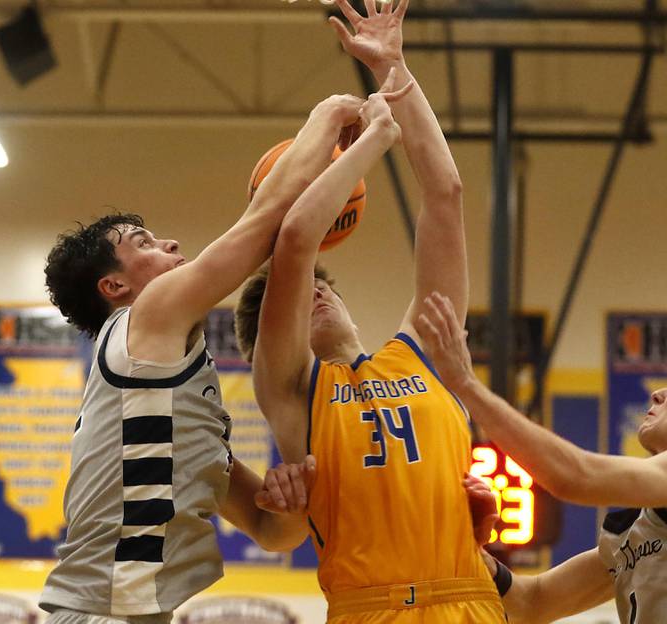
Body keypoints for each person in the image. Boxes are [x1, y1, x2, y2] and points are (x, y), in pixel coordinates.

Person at [38, 89, 371, 623]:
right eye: (143, 243)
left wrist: (291, 506)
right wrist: (330, 115)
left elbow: (269, 533)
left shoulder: (171, 397)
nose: (168, 243)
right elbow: (261, 224)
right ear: (115, 285)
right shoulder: (141, 320)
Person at [232, 2, 507, 621]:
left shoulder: (424, 350)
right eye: (301, 301)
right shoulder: (293, 388)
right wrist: (371, 142)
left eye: (327, 289)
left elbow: (446, 196)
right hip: (368, 608)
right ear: (267, 348)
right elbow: (295, 241)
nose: (318, 295)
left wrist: (396, 73)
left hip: (467, 601)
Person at [415, 291, 667, 624]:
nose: (657, 395)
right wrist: (461, 544)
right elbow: (536, 601)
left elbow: (576, 476)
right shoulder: (633, 534)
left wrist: (464, 382)